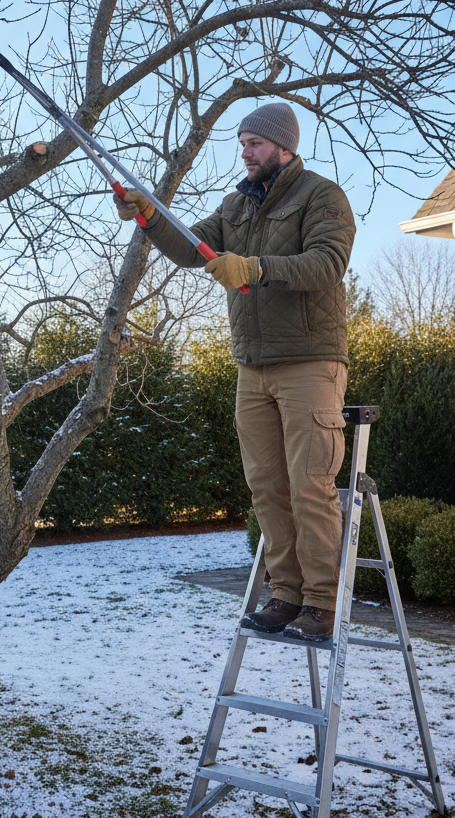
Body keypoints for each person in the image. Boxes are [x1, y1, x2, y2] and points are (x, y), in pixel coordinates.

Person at [114, 102, 355, 642]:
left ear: (284, 147)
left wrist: (255, 267)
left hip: (309, 362)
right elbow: (188, 246)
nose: (245, 153)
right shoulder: (235, 206)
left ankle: (321, 603)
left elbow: (327, 264)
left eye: (254, 143)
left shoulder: (321, 196)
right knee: (267, 488)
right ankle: (286, 594)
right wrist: (148, 215)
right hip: (252, 367)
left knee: (310, 486)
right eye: (242, 143)